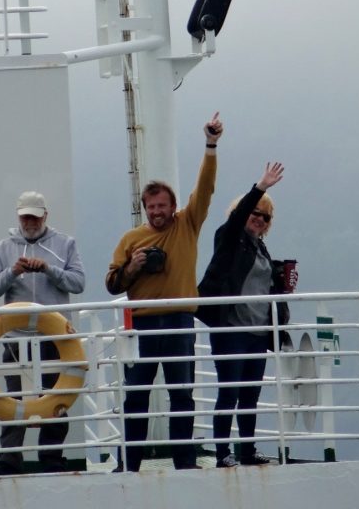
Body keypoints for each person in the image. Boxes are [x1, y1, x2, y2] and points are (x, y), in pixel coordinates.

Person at [104, 113, 223, 472]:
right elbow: (111, 284)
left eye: (163, 206)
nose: (157, 212)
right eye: (151, 207)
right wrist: (133, 267)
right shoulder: (131, 239)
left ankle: (185, 463)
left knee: (181, 395)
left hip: (179, 321)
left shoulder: (187, 224)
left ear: (173, 207)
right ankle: (129, 463)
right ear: (145, 209)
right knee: (136, 396)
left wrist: (211, 145)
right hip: (141, 324)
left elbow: (205, 189)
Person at [0, 191, 86, 474]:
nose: (30, 221)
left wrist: (50, 270)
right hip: (17, 339)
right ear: (18, 216)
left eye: (34, 216)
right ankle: (9, 460)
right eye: (25, 216)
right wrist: (12, 272)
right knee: (13, 400)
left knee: (57, 398)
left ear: (45, 215)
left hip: (55, 339)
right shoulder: (2, 248)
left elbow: (79, 283)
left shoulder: (65, 244)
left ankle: (51, 457)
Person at [195, 162, 290, 468]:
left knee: (250, 395)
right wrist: (260, 187)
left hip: (257, 332)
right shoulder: (229, 237)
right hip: (231, 329)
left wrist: (284, 285)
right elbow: (237, 220)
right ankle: (223, 452)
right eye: (255, 213)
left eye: (266, 217)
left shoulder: (261, 250)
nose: (260, 219)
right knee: (229, 392)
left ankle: (246, 451)